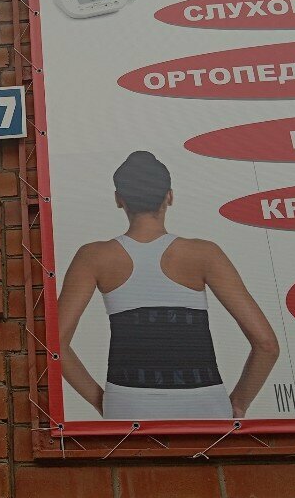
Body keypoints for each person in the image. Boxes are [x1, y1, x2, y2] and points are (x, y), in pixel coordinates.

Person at [57, 151, 279, 419]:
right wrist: (239, 404)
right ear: (169, 196)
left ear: (119, 199)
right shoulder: (204, 254)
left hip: (128, 406)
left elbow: (55, 345)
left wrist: (104, 403)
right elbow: (266, 344)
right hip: (205, 406)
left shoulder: (93, 257)